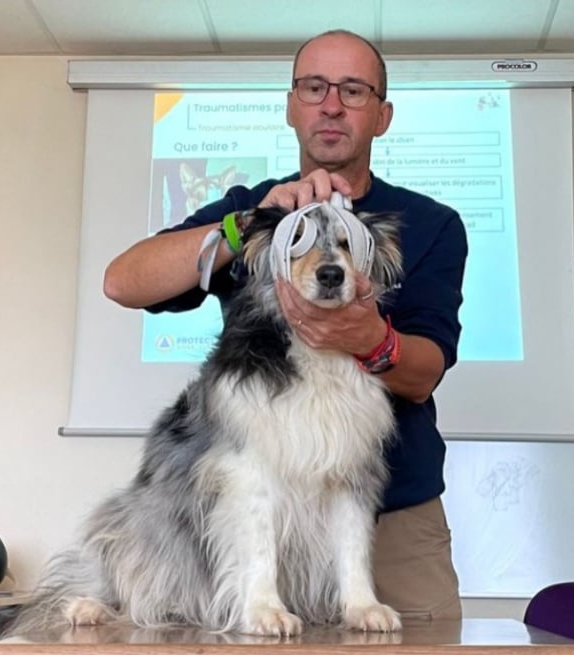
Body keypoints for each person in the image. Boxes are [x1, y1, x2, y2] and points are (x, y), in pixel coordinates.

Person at [104, 29, 467, 620]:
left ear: (382, 115)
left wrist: (368, 340)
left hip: (392, 519)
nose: (331, 104)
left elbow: (425, 372)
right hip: (258, 518)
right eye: (314, 87)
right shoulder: (253, 212)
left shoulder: (430, 224)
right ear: (291, 105)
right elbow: (123, 281)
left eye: (353, 90)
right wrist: (244, 225)